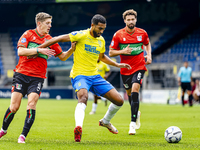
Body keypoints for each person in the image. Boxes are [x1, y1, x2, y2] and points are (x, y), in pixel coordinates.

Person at [38, 14, 131, 142]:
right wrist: (39, 48)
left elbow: (102, 57)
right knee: (83, 97)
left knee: (119, 100)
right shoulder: (80, 35)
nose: (101, 31)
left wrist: (117, 64)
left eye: (103, 28)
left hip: (95, 76)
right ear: (92, 25)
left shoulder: (101, 40)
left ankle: (105, 121)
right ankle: (78, 128)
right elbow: (58, 38)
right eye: (99, 28)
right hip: (80, 75)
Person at [0, 12, 76, 143]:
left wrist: (71, 49)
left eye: (50, 23)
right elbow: (20, 51)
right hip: (21, 74)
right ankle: (3, 129)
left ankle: (22, 136)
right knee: (14, 107)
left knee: (31, 104)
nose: (50, 26)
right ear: (39, 23)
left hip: (38, 78)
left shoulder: (50, 40)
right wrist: (39, 50)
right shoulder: (28, 34)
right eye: (47, 23)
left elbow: (63, 57)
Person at [109, 9, 152, 135]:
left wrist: (149, 55)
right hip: (125, 68)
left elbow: (147, 44)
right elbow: (111, 52)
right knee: (129, 94)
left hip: (139, 66)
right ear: (124, 21)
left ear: (136, 20)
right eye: (128, 20)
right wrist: (122, 51)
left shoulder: (142, 33)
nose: (131, 21)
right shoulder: (118, 35)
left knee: (135, 90)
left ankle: (132, 124)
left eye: (132, 19)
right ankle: (136, 112)